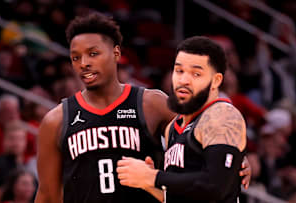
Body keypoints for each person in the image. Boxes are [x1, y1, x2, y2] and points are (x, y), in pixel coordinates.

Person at [35, 13, 251, 203]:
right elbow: (48, 195)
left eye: (93, 54)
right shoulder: (56, 120)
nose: (84, 63)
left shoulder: (152, 103)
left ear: (116, 53)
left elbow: (204, 131)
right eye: (76, 57)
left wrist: (232, 156)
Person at [117, 36, 247, 203]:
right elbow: (175, 196)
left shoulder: (221, 115)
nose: (184, 80)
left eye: (196, 73)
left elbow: (215, 186)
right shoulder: (172, 126)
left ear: (215, 80)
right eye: (179, 71)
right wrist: (146, 183)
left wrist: (153, 176)